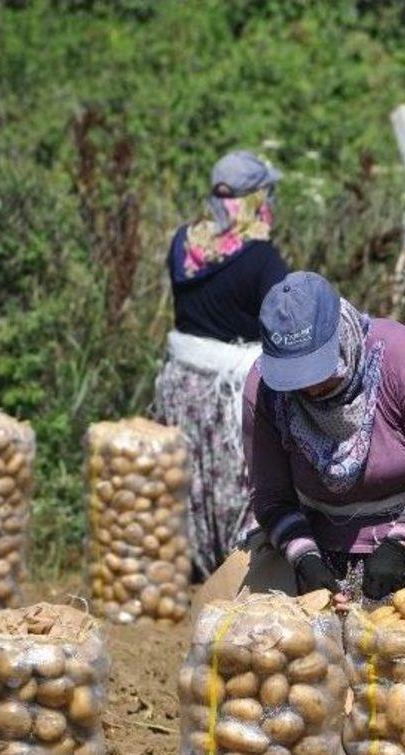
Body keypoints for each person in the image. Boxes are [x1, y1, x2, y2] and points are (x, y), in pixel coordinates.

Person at [242, 271, 405, 603]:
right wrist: (306, 559)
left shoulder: (402, 359)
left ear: (339, 336)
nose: (309, 388)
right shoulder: (265, 390)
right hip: (326, 547)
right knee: (338, 654)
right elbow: (271, 496)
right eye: (295, 377)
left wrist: (400, 543)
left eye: (316, 369)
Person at [155, 150, 290, 579]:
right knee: (239, 480)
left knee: (190, 479)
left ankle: (189, 565)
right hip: (231, 390)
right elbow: (281, 319)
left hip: (183, 385)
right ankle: (233, 568)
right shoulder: (261, 258)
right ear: (255, 198)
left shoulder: (184, 244)